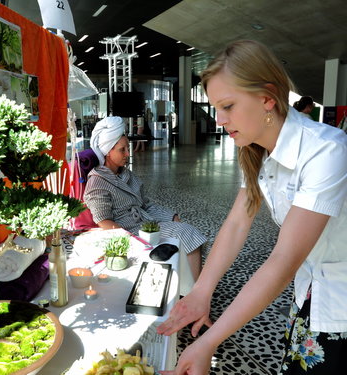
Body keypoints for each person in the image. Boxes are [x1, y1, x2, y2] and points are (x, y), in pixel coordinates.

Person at [157, 39, 347, 375]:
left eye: (228, 106)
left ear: (267, 97)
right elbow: (235, 225)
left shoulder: (326, 152)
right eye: (216, 108)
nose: (219, 120)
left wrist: (207, 343)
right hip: (311, 290)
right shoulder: (259, 151)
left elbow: (282, 261)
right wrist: (201, 291)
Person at [83, 116, 207, 281]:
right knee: (188, 233)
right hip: (131, 232)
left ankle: (187, 286)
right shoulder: (97, 182)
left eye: (128, 148)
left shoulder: (125, 174)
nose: (128, 153)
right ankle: (195, 293)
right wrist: (131, 240)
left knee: (186, 230)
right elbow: (103, 221)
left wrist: (171, 216)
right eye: (122, 150)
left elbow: (145, 205)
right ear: (108, 151)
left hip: (146, 225)